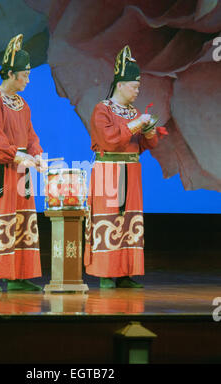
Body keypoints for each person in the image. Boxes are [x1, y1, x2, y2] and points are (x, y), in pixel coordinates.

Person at [84, 46, 162, 289]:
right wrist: (135, 124)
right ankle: (107, 273)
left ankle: (125, 272)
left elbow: (145, 145)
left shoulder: (133, 112)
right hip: (109, 172)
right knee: (109, 218)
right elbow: (109, 140)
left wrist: (148, 131)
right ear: (120, 84)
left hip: (131, 172)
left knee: (129, 221)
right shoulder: (102, 109)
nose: (138, 91)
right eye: (134, 86)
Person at [0, 34, 47, 292]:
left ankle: (18, 276)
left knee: (22, 221)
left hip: (21, 172)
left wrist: (37, 155)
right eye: (25, 75)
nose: (28, 80)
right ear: (12, 74)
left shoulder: (22, 105)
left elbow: (31, 136)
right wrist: (19, 156)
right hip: (2, 171)